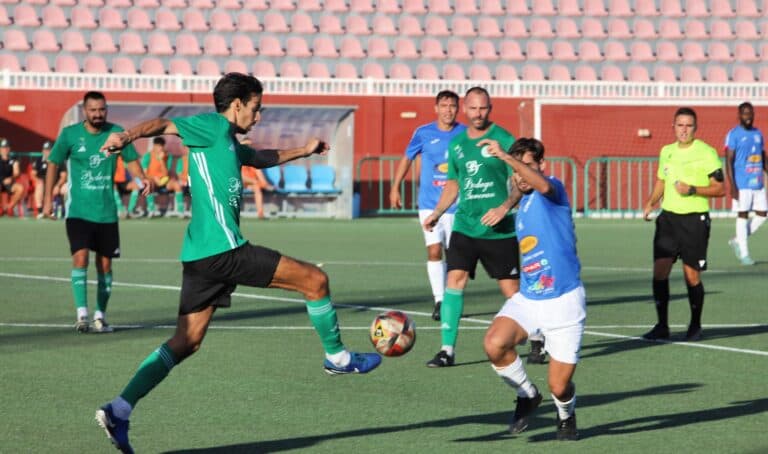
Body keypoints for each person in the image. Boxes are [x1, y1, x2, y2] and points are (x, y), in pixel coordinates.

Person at [94, 73, 381, 453]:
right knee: (315, 280)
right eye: (256, 108)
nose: (259, 116)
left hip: (200, 256)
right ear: (237, 104)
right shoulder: (212, 126)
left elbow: (260, 158)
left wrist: (305, 150)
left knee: (186, 342)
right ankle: (338, 357)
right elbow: (163, 124)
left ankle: (119, 408)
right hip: (225, 250)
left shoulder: (227, 140)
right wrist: (126, 137)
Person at [482, 137, 584, 441]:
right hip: (529, 298)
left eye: (528, 166)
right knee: (494, 344)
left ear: (541, 165)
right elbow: (520, 186)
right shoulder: (522, 200)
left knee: (559, 387)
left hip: (564, 302)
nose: (521, 174)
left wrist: (505, 158)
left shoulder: (553, 190)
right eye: (517, 168)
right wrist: (504, 204)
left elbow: (538, 185)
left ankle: (566, 415)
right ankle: (527, 395)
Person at [421, 86, 522, 368]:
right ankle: (446, 350)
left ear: (490, 108)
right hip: (465, 226)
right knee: (454, 281)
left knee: (511, 289)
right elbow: (453, 183)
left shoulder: (504, 139)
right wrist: (438, 212)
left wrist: (504, 207)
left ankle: (537, 338)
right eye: (474, 108)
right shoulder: (457, 145)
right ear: (465, 108)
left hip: (499, 229)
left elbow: (520, 180)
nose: (479, 114)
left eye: (484, 108)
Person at [42, 91, 153, 334]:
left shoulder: (116, 133)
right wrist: (47, 199)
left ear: (106, 109)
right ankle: (82, 315)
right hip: (78, 212)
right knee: (80, 258)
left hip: (106, 213)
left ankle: (100, 315)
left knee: (105, 266)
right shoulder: (71, 135)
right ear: (84, 111)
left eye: (101, 109)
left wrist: (143, 178)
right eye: (93, 110)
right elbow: (53, 163)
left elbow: (131, 159)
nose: (98, 114)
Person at [642, 107, 725, 342]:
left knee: (692, 276)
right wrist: (651, 202)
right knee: (660, 272)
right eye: (680, 125)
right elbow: (661, 179)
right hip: (667, 219)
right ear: (673, 127)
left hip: (694, 220)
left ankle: (695, 325)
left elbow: (720, 188)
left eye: (689, 125)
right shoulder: (666, 151)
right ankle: (662, 325)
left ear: (695, 128)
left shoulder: (707, 153)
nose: (684, 130)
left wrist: (692, 190)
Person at [390, 90, 466, 321]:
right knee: (434, 250)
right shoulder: (423, 133)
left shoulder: (465, 133)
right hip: (429, 204)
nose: (448, 110)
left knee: (456, 256)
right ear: (436, 108)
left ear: (457, 108)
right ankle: (439, 300)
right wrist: (395, 187)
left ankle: (453, 299)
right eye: (444, 105)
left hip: (457, 205)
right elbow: (407, 158)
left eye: (452, 106)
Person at [725, 102, 767, 266]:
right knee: (743, 215)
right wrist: (733, 186)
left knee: (763, 215)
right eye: (744, 113)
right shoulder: (734, 134)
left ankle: (737, 240)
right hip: (742, 184)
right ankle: (744, 253)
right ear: (739, 115)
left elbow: (762, 157)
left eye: (750, 113)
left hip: (758, 183)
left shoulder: (758, 133)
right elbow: (728, 161)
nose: (748, 116)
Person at [127, 137, 184, 217]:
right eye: (158, 146)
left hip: (164, 180)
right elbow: (144, 173)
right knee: (148, 184)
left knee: (176, 185)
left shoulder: (168, 156)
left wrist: (161, 160)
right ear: (154, 146)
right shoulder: (148, 156)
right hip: (151, 180)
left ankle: (181, 211)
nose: (160, 148)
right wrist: (154, 178)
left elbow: (166, 174)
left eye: (161, 146)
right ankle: (151, 209)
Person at [0, 138, 25, 217]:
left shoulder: (13, 160)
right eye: (3, 147)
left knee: (20, 188)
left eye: (7, 147)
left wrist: (11, 178)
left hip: (8, 183)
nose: (5, 149)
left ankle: (8, 208)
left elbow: (16, 172)